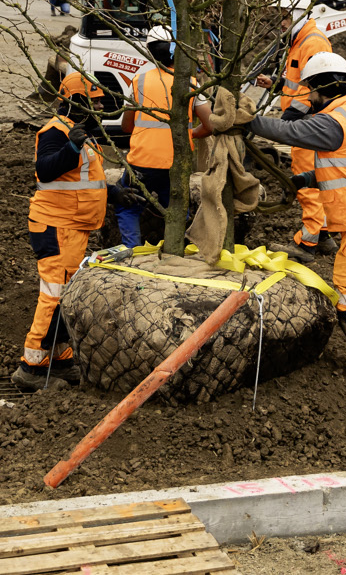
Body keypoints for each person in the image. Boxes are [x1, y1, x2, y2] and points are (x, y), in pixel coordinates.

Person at [218, 50, 346, 397]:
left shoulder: (331, 121)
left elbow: (289, 131)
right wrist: (311, 179)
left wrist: (246, 121)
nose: (308, 97)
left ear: (321, 88)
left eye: (310, 91)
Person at [14, 70, 111, 390]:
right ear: (75, 101)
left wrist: (118, 194)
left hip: (71, 227)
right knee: (55, 296)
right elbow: (45, 169)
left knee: (66, 295)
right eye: (92, 103)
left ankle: (60, 358)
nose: (98, 110)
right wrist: (70, 148)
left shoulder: (81, 134)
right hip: (56, 227)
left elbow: (85, 183)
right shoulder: (58, 131)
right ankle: (32, 367)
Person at [115, 24, 215, 247]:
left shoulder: (138, 82)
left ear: (150, 51)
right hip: (175, 163)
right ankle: (176, 249)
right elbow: (210, 125)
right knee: (178, 208)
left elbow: (126, 126)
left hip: (141, 162)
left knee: (128, 206)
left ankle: (132, 251)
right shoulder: (191, 84)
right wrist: (191, 134)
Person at [255, 0, 333, 253]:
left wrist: (289, 120)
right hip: (305, 120)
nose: (281, 21)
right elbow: (298, 83)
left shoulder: (312, 42)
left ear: (299, 14)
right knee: (314, 179)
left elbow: (313, 90)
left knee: (306, 182)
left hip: (307, 122)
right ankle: (322, 236)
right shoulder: (299, 41)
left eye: (285, 15)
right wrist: (276, 85)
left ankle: (307, 244)